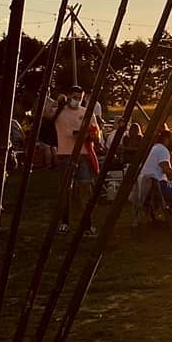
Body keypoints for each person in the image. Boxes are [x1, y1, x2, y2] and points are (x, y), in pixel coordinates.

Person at [54, 84, 100, 236]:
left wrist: (93, 135)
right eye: (74, 98)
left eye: (79, 98)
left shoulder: (86, 112)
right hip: (66, 153)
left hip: (84, 153)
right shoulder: (60, 113)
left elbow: (96, 130)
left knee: (85, 187)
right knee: (66, 189)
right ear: (69, 96)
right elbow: (72, 133)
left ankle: (87, 224)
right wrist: (86, 133)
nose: (77, 101)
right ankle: (64, 222)